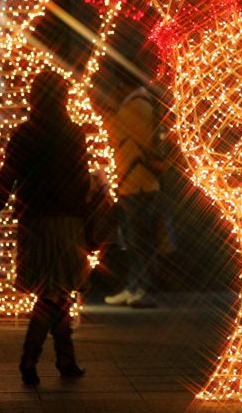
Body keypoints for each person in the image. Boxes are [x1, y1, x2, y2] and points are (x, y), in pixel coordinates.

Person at [0, 71, 91, 386]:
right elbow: (84, 182)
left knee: (52, 291)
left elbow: (5, 180)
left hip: (35, 222)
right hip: (68, 221)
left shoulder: (24, 134)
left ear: (34, 98)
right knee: (56, 291)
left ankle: (50, 358)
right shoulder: (73, 133)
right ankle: (43, 358)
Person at [104, 74, 168, 309]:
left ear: (122, 83)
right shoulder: (139, 103)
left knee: (139, 240)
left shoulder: (137, 106)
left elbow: (116, 135)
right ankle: (134, 286)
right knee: (134, 240)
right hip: (134, 182)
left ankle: (143, 289)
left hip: (138, 182)